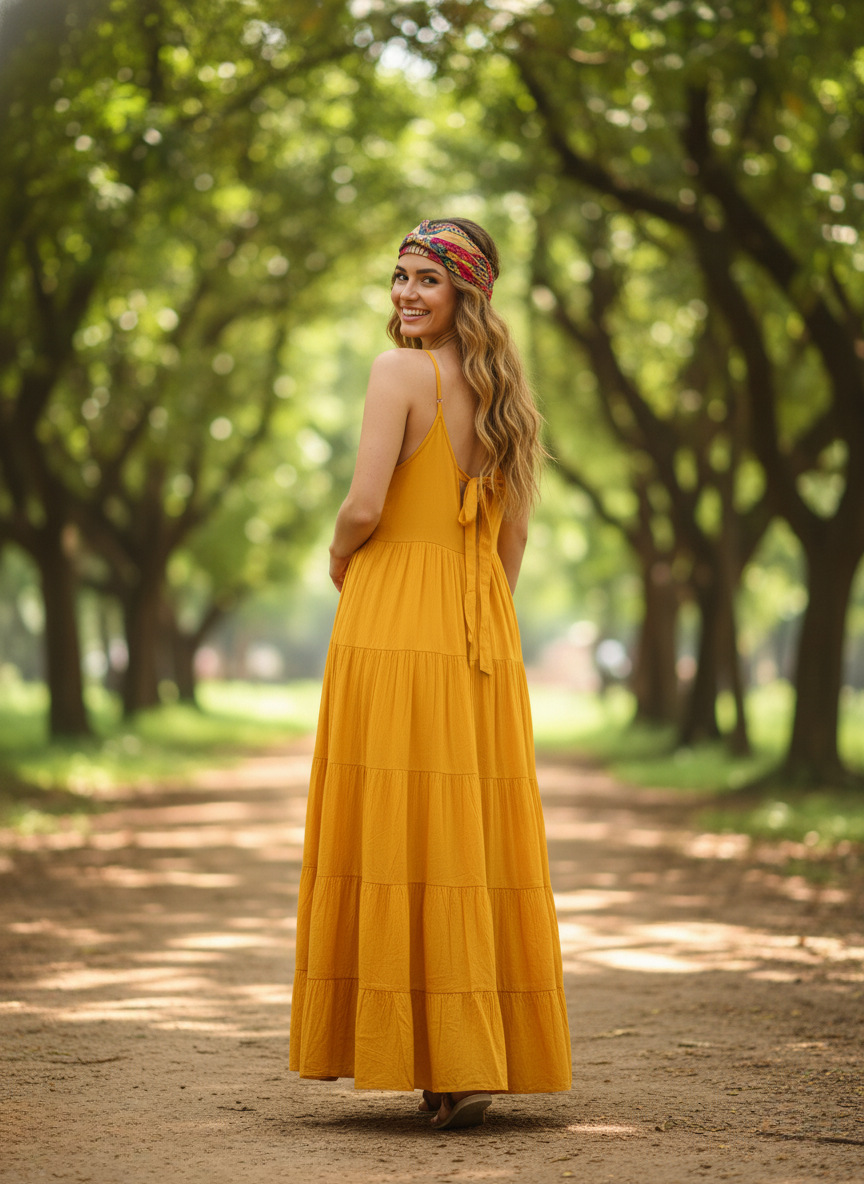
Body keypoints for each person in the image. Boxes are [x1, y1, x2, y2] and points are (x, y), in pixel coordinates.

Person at [289, 218, 572, 1130]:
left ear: (465, 293)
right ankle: (468, 1055)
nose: (406, 293)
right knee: (468, 835)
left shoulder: (398, 374)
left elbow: (364, 503)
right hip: (479, 624)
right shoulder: (507, 398)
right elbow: (512, 538)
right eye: (400, 276)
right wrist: (479, 615)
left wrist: (340, 557)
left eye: (427, 280)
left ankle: (431, 1055)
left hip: (389, 616)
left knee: (394, 822)